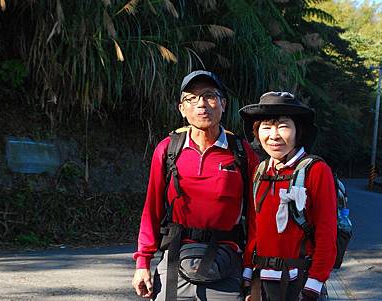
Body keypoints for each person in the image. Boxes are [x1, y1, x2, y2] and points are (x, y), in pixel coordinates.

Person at [132, 70, 258, 301]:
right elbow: (152, 209)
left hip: (227, 260)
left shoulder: (241, 152)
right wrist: (143, 262)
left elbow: (256, 215)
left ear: (223, 104)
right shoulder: (169, 149)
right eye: (192, 98)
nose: (202, 104)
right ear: (182, 108)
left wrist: (253, 270)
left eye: (210, 96)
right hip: (175, 260)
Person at [239, 91, 337, 301]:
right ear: (257, 132)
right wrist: (248, 272)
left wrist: (314, 285)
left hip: (300, 281)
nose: (273, 135)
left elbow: (327, 232)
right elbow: (254, 230)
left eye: (283, 126)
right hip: (262, 281)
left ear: (298, 131)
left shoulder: (316, 170)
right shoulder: (260, 171)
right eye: (266, 127)